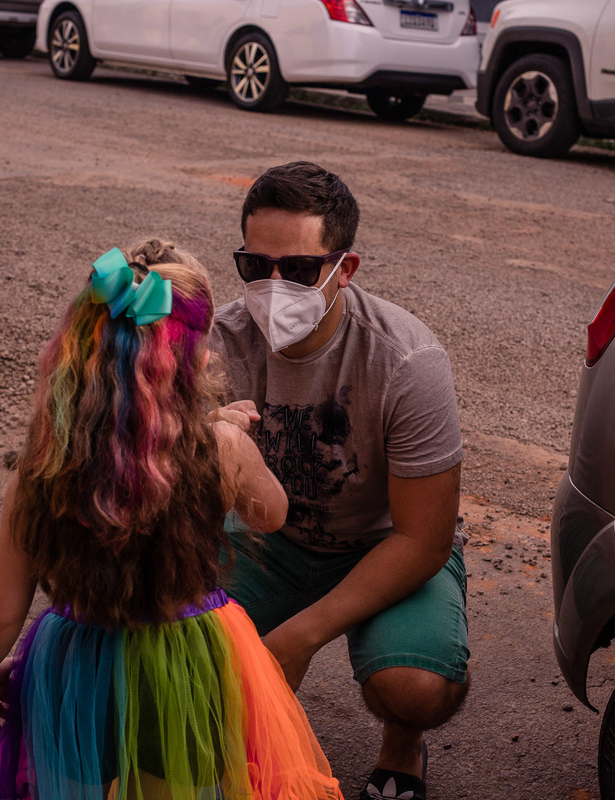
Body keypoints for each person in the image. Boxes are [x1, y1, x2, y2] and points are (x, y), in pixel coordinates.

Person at [0, 240, 341, 800]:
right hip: (187, 664)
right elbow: (272, 515)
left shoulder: (44, 465)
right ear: (198, 357)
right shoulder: (220, 448)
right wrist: (230, 434)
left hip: (75, 665)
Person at [212, 162, 468, 800]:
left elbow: (424, 538)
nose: (273, 286)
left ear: (344, 269)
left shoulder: (406, 359)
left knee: (415, 687)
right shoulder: (217, 344)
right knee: (166, 641)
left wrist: (297, 638)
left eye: (297, 269)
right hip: (267, 539)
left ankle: (402, 743)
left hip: (383, 547)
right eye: (254, 266)